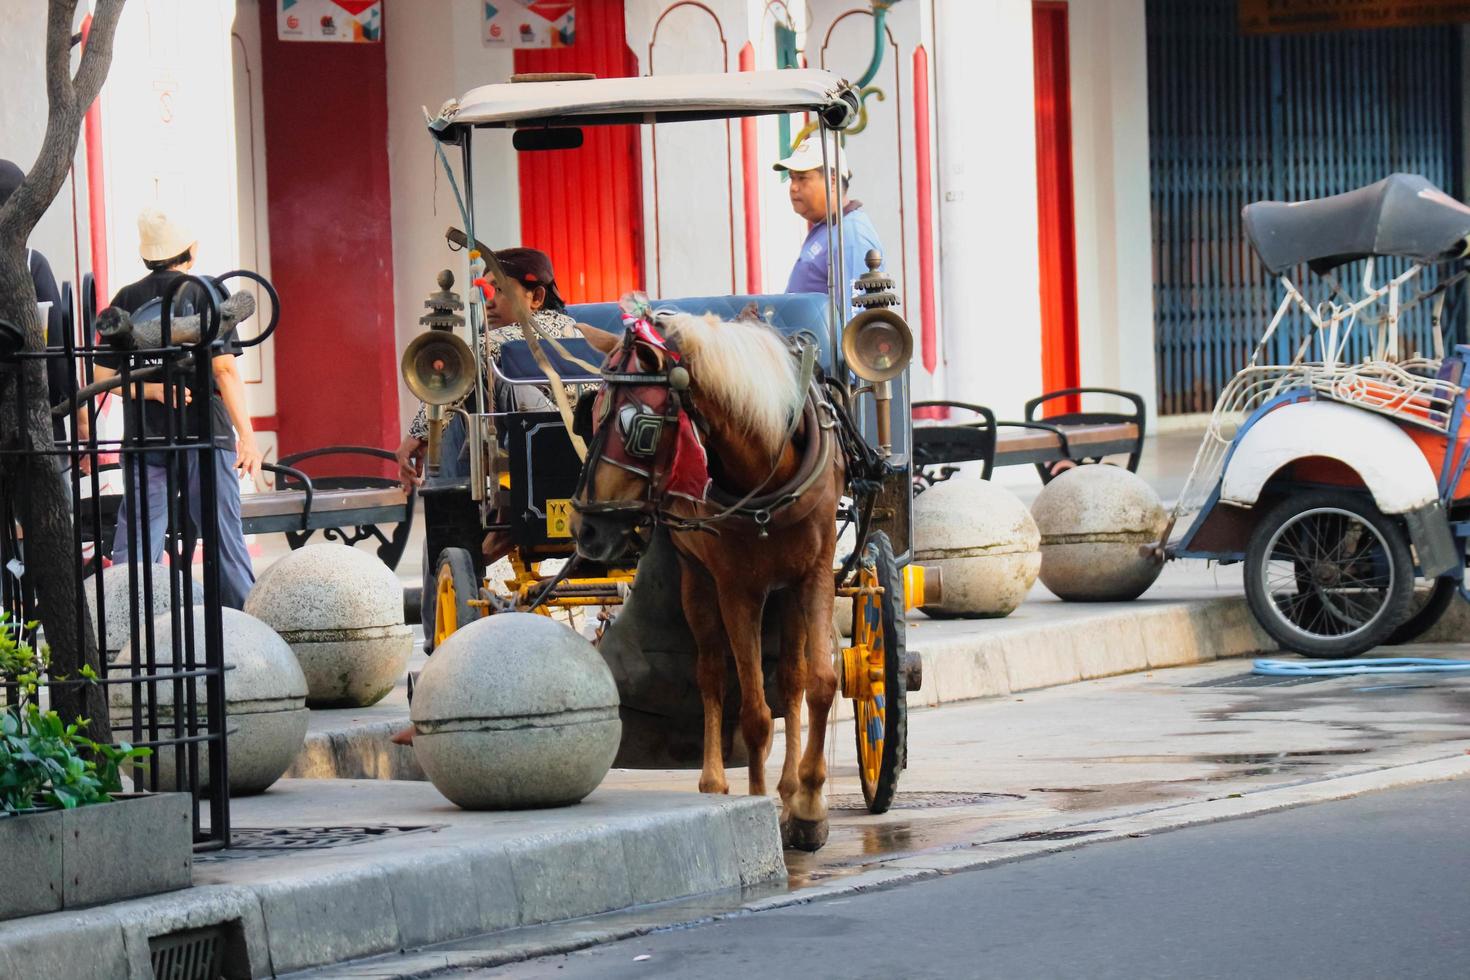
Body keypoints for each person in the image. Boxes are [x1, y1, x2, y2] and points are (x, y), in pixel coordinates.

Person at [92, 208, 260, 609]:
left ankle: (125, 626)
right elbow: (224, 369)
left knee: (137, 541)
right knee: (223, 537)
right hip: (206, 433)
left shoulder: (126, 299)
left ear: (146, 255)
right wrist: (248, 438)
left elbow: (101, 377)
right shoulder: (205, 292)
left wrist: (150, 392)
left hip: (147, 437)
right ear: (191, 250)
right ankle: (246, 624)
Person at [776, 138, 885, 309]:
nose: (793, 187)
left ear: (832, 181)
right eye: (792, 178)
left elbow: (854, 320)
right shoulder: (828, 227)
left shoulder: (850, 236)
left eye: (802, 178)